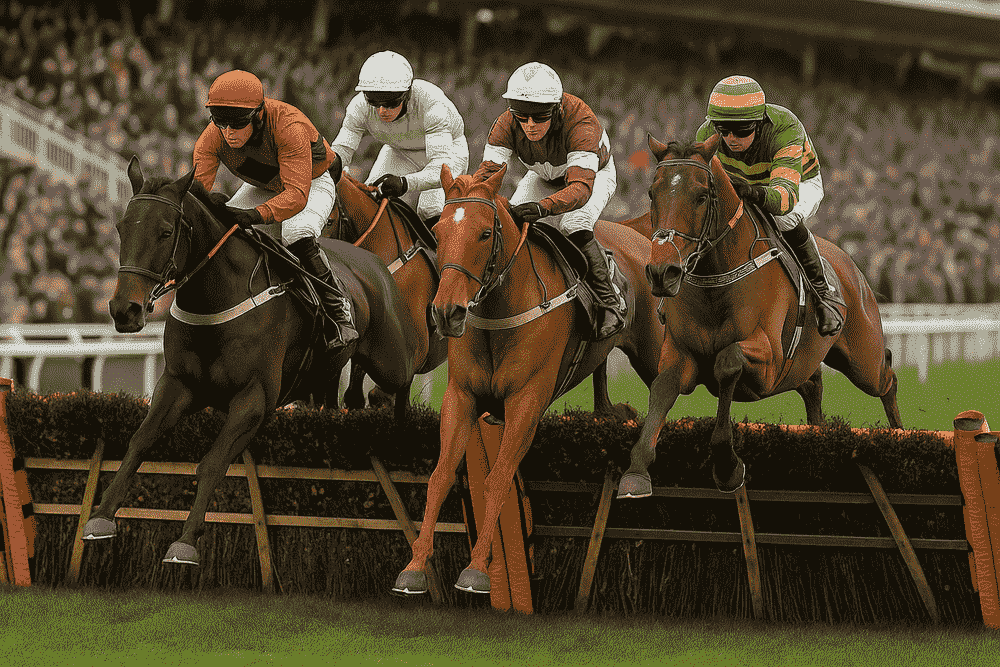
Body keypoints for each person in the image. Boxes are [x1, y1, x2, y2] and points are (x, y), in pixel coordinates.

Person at [192, 69, 357, 350]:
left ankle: (337, 308)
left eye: (237, 123)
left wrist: (255, 215)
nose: (228, 132)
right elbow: (195, 193)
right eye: (220, 122)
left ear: (258, 115)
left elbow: (296, 195)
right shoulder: (213, 136)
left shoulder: (288, 125)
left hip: (312, 181)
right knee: (224, 231)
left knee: (296, 232)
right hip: (267, 186)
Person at [473, 61, 622, 340]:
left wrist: (543, 207)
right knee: (511, 224)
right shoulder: (505, 124)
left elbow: (579, 188)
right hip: (543, 176)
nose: (529, 125)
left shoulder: (581, 122)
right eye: (521, 116)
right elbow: (487, 175)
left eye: (539, 117)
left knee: (573, 223)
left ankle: (610, 300)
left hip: (593, 175)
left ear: (557, 109)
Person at [696, 75, 841, 336]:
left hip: (798, 182)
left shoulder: (786, 128)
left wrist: (752, 191)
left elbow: (784, 199)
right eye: (723, 130)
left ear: (760, 123)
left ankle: (823, 294)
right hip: (744, 185)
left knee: (783, 220)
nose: (731, 139)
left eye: (741, 131)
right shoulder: (706, 135)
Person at [331, 50, 469, 223]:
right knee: (371, 199)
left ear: (407, 94)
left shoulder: (432, 103)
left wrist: (405, 183)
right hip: (399, 151)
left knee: (430, 209)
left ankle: (439, 249)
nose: (382, 111)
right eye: (373, 101)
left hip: (448, 152)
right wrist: (334, 166)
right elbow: (341, 150)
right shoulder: (358, 106)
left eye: (391, 102)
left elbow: (440, 170)